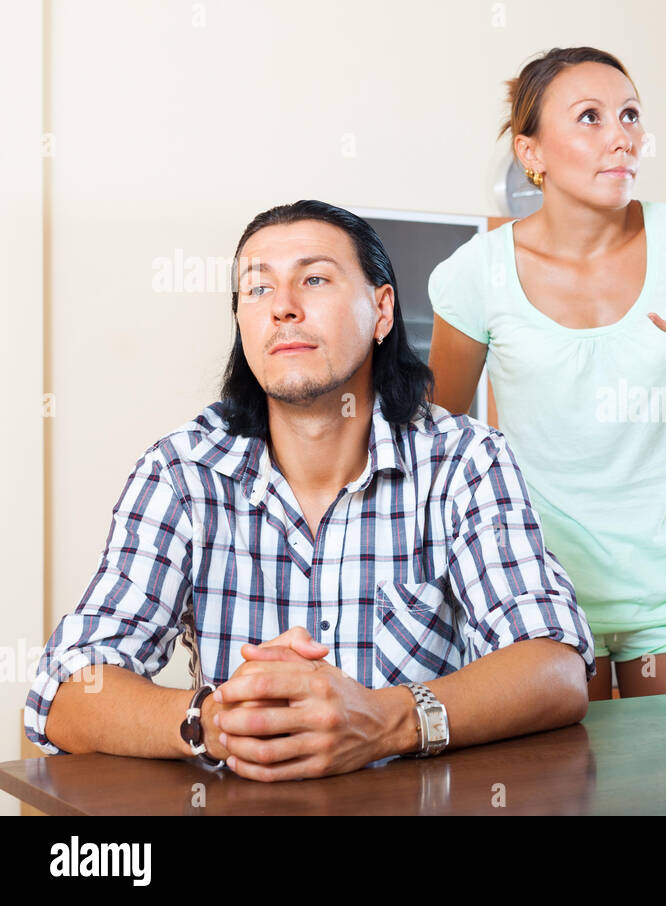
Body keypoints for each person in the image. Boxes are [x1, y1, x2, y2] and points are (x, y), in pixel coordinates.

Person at [25, 199, 595, 782]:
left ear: (381, 311)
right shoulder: (181, 473)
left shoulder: (465, 461)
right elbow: (64, 688)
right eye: (257, 290)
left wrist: (389, 720)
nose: (284, 309)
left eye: (314, 279)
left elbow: (554, 667)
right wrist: (213, 722)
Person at [429, 47, 666, 699]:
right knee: (569, 797)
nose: (621, 136)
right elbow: (444, 440)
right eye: (591, 118)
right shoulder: (475, 274)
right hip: (536, 590)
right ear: (532, 153)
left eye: (629, 115)